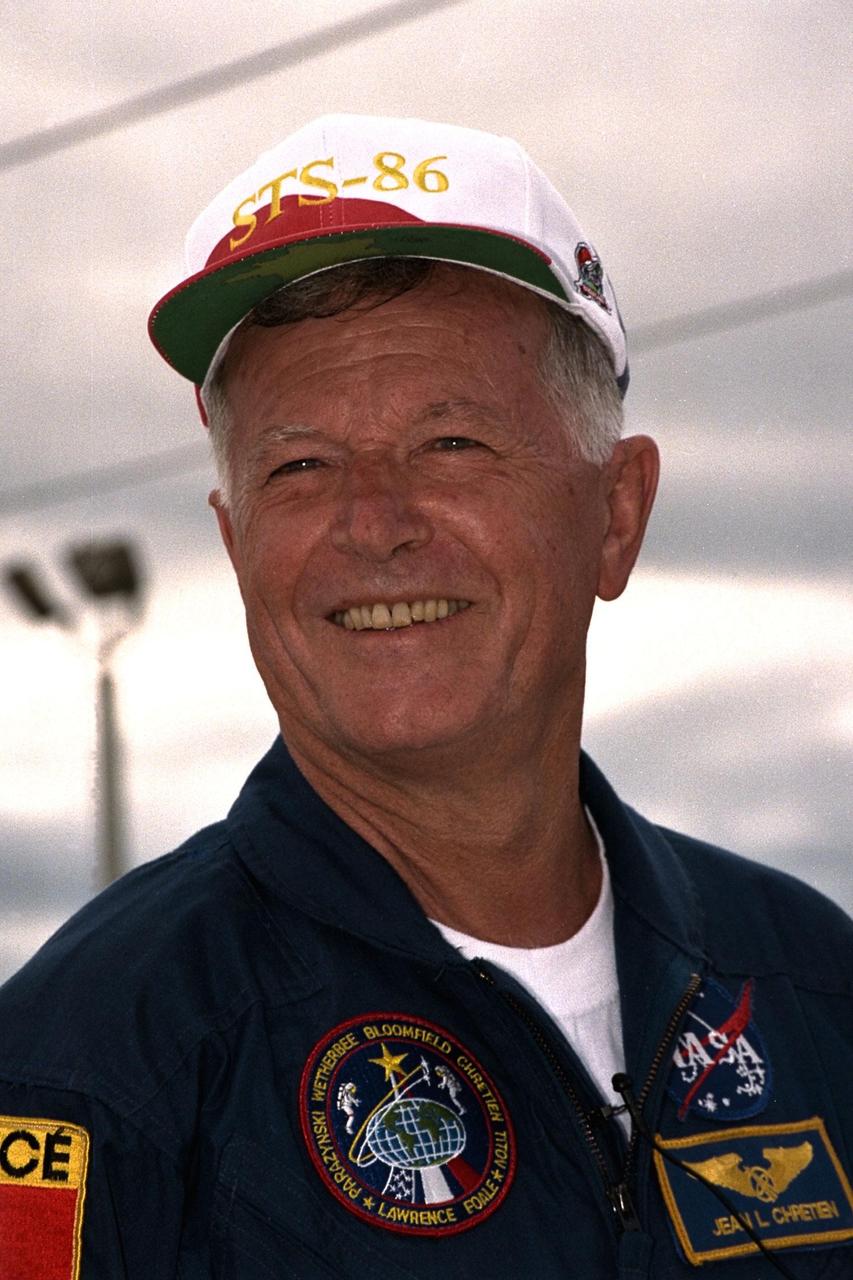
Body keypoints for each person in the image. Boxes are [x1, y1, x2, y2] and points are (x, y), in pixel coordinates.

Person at [0, 114, 850, 1280]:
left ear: (615, 514)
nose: (374, 523)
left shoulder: (813, 988)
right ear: (237, 542)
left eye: (450, 442)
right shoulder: (91, 1060)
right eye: (299, 466)